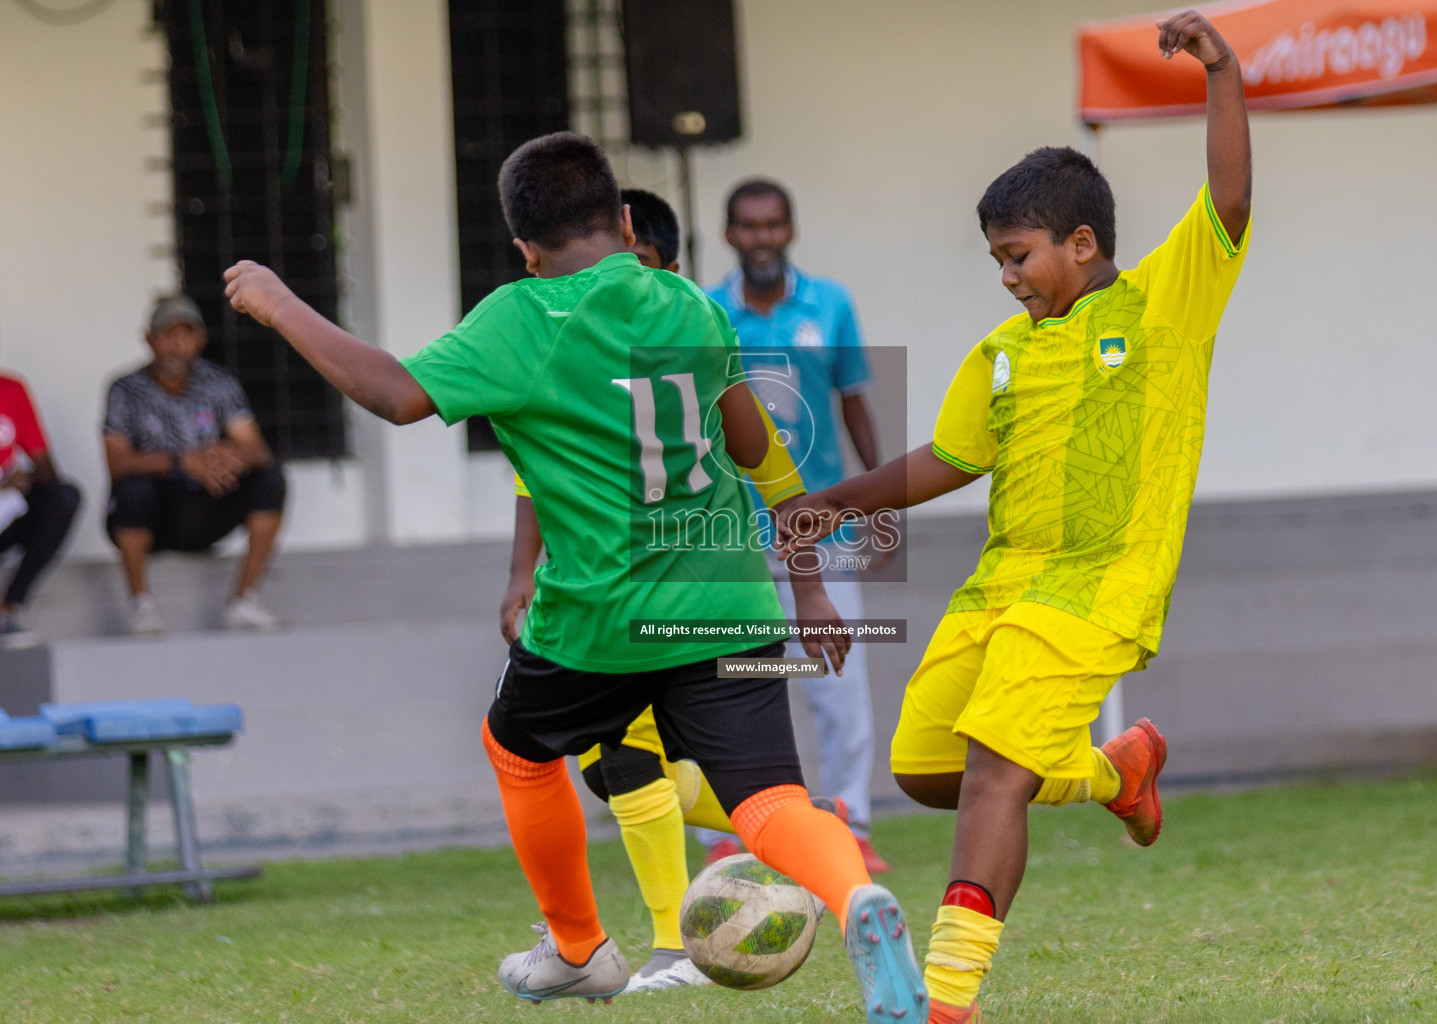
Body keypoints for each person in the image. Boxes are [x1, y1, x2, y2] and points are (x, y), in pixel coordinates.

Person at [223, 133, 927, 1022]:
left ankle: (578, 947)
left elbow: (397, 395)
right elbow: (759, 447)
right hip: (728, 602)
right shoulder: (687, 304)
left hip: (601, 616)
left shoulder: (522, 317)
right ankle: (857, 896)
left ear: (523, 245)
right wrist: (812, 586)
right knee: (769, 798)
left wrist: (283, 303)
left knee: (517, 749)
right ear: (627, 222)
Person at [777, 12, 1251, 1023]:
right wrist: (831, 504)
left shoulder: (1168, 304)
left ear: (1083, 243)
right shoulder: (1002, 350)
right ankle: (1114, 773)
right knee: (927, 769)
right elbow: (947, 460)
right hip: (1003, 587)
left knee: (996, 770)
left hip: (1099, 586)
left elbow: (1231, 198)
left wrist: (1222, 70)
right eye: (996, 259)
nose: (1007, 275)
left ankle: (944, 1001)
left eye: (1019, 254)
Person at [499, 187, 843, 993]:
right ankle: (813, 846)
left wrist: (811, 588)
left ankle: (670, 946)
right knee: (641, 770)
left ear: (671, 271)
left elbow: (770, 462)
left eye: (640, 272)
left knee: (621, 758)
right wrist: (522, 575)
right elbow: (534, 478)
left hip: (694, 605)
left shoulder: (692, 342)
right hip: (624, 604)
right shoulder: (578, 360)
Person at [700, 177, 891, 874]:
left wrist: (882, 502)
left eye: (774, 224)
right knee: (726, 683)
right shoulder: (705, 312)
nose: (763, 238)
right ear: (729, 234)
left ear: (791, 230)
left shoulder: (831, 305)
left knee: (838, 680)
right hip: (730, 539)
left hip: (824, 533)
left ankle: (852, 823)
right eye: (749, 226)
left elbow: (853, 404)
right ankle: (724, 832)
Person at [103, 296, 286, 635]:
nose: (177, 345)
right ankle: (141, 606)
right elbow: (117, 463)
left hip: (206, 506)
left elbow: (256, 450)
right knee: (132, 488)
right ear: (149, 339)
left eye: (186, 334)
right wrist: (182, 462)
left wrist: (222, 454)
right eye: (167, 335)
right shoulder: (125, 389)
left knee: (270, 479)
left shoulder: (218, 382)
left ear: (201, 339)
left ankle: (244, 600)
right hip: (154, 515)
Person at [0, 369, 81, 648]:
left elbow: (47, 470)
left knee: (63, 498)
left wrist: (24, 478)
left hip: (5, 516)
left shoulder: (10, 389)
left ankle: (7, 609)